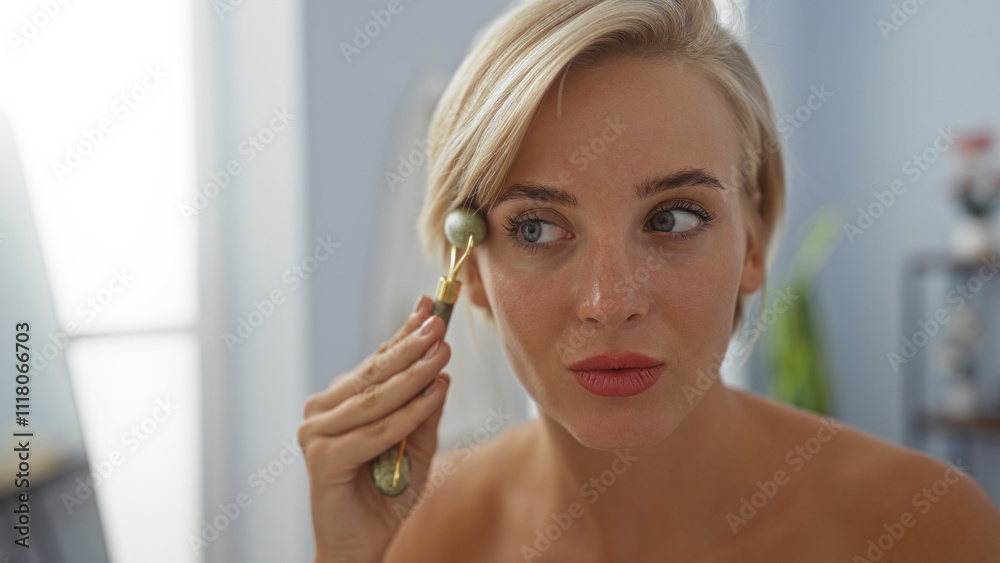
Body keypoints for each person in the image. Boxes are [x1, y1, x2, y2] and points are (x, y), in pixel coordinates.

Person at [297, 1, 1000, 561]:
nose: (611, 302)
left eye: (674, 217)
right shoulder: (419, 534)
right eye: (536, 227)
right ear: (471, 269)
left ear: (752, 241)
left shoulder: (927, 529)